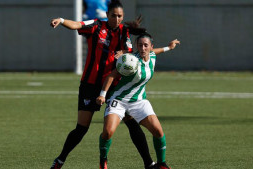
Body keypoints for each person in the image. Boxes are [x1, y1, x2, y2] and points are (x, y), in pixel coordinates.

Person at [49, 1, 177, 168]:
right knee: (81, 128)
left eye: (120, 16)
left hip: (112, 86)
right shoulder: (96, 25)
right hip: (90, 84)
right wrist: (61, 19)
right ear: (107, 15)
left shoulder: (125, 31)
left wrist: (125, 52)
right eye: (113, 15)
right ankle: (60, 160)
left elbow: (134, 52)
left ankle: (149, 163)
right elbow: (76, 25)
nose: (117, 19)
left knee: (132, 123)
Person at [96, 33, 180, 169]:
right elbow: (112, 76)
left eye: (146, 45)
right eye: (140, 45)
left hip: (139, 101)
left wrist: (169, 47)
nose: (143, 48)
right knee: (108, 132)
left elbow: (155, 52)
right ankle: (103, 161)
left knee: (158, 131)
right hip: (119, 99)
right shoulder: (130, 60)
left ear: (150, 47)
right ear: (136, 46)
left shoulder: (152, 56)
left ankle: (161, 164)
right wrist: (102, 95)